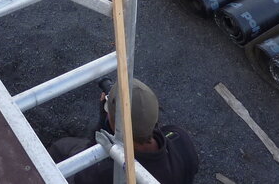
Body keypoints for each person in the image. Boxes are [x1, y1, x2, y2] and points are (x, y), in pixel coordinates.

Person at [48, 78, 199, 184]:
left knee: (61, 148)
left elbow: (87, 169)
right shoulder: (179, 138)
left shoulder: (106, 173)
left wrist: (103, 121)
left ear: (115, 125)